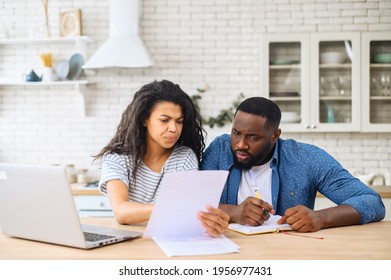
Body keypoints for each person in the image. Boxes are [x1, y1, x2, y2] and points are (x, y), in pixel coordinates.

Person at [200, 97, 385, 232]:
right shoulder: (219, 150)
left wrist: (321, 218)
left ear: (275, 135)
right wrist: (235, 212)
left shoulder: (306, 158)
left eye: (253, 137)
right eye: (236, 132)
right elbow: (192, 203)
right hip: (230, 253)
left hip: (290, 253)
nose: (240, 144)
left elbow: (372, 202)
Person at [94, 80, 229, 237]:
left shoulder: (184, 157)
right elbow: (121, 212)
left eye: (179, 121)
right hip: (128, 242)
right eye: (164, 120)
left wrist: (210, 222)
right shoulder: (117, 157)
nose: (173, 128)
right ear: (145, 119)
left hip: (169, 239)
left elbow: (188, 213)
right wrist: (172, 207)